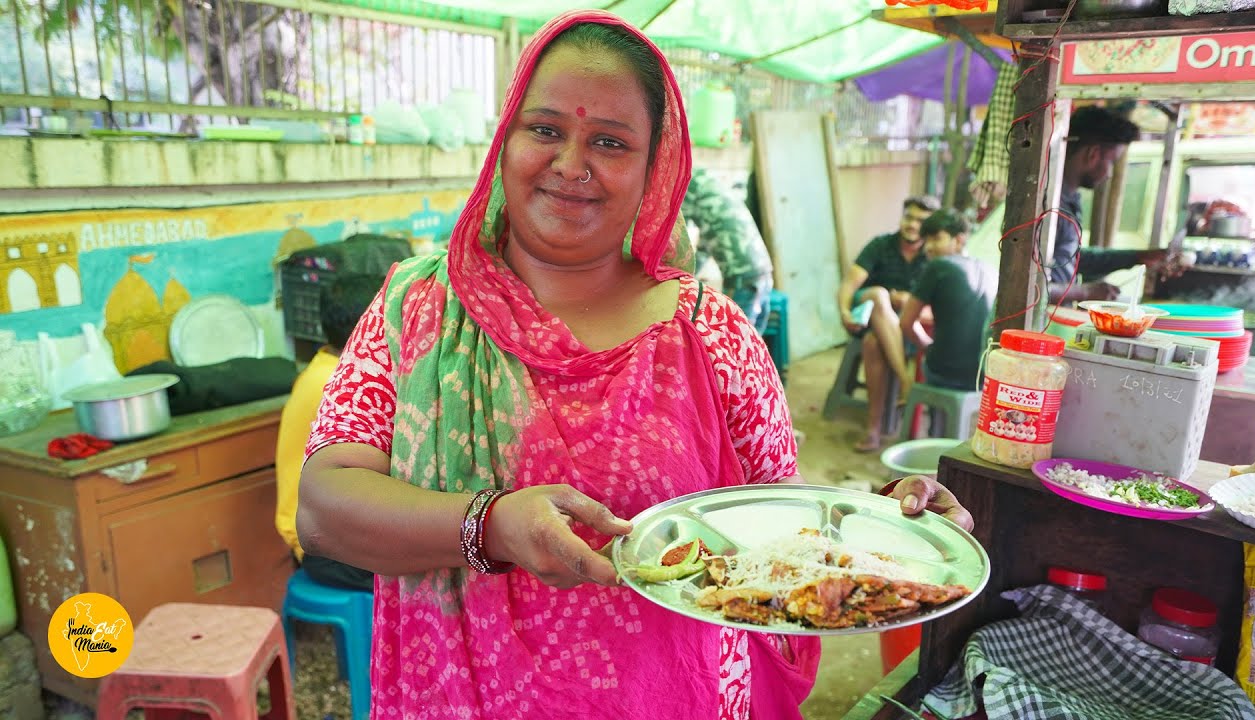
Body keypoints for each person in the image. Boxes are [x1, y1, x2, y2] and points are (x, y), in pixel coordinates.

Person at [296, 11, 974, 719]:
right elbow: (324, 510)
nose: (570, 164)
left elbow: (775, 529)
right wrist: (491, 525)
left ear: (655, 168)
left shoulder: (712, 334)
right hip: (462, 700)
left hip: (673, 697)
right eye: (546, 129)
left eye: (610, 142)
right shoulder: (420, 308)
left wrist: (893, 534)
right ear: (505, 140)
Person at [274, 273, 382, 592]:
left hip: (317, 535)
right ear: (371, 327)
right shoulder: (342, 384)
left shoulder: (323, 366)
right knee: (434, 571)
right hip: (322, 548)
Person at [835, 195, 940, 452]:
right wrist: (844, 312)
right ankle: (906, 383)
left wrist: (911, 302)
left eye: (920, 221)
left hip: (908, 329)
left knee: (873, 344)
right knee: (879, 295)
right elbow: (850, 283)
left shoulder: (932, 256)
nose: (912, 225)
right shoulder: (881, 245)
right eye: (909, 217)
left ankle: (873, 430)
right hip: (870, 314)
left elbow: (938, 304)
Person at [1049, 106, 1180, 303]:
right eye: (1112, 161)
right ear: (1093, 154)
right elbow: (1025, 285)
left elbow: (1072, 258)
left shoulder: (1070, 199)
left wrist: (1137, 257)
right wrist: (1084, 293)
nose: (1110, 174)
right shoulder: (1047, 204)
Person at [899, 210, 997, 392]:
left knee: (921, 358)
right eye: (926, 240)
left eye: (936, 239)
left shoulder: (938, 266)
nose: (928, 247)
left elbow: (906, 323)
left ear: (959, 240)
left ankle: (918, 410)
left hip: (946, 374)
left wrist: (927, 346)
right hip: (984, 375)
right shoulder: (991, 270)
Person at [682, 167, 775, 332]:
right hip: (763, 269)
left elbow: (678, 235)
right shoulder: (710, 184)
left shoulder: (687, 184)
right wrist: (691, 275)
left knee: (735, 341)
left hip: (742, 276)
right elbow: (706, 240)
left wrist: (684, 278)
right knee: (754, 344)